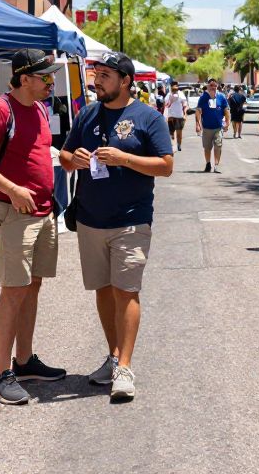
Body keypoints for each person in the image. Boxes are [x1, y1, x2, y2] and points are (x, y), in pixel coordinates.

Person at [60, 51, 173, 401]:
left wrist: (125, 159)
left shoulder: (148, 117)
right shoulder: (87, 114)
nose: (97, 80)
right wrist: (72, 159)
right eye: (96, 74)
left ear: (126, 81)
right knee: (103, 290)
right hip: (91, 219)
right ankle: (112, 356)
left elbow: (165, 165)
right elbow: (63, 157)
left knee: (126, 290)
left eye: (105, 75)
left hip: (131, 219)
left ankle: (124, 366)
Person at [0, 48, 65, 406]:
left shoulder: (38, 107)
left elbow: (39, 153)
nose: (52, 81)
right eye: (45, 76)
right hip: (12, 213)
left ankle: (24, 362)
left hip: (41, 213)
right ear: (25, 78)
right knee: (13, 291)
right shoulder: (0, 109)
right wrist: (11, 188)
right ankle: (1, 373)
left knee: (31, 287)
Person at [195, 78, 230, 173]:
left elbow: (226, 111)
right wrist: (197, 124)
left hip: (218, 127)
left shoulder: (221, 97)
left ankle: (216, 165)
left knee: (218, 146)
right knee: (207, 148)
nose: (213, 87)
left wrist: (227, 123)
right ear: (207, 86)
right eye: (211, 85)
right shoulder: (203, 98)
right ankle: (208, 164)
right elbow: (198, 111)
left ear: (217, 86)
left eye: (215, 85)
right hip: (206, 128)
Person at [163, 80, 188, 151]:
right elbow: (166, 105)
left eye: (176, 86)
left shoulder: (181, 94)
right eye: (173, 87)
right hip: (171, 117)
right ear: (171, 87)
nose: (175, 88)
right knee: (171, 133)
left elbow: (185, 105)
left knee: (179, 133)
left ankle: (179, 145)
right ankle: (172, 145)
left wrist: (185, 114)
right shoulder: (168, 95)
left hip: (179, 116)